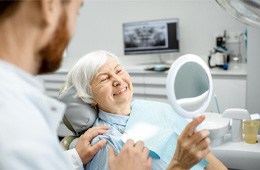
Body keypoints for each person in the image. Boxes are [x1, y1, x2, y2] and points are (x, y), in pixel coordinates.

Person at [0, 1, 151, 170]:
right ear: (49, 6)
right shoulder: (13, 119)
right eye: (77, 11)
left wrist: (75, 157)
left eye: (118, 70)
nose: (117, 80)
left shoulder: (15, 103)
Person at [63, 50, 227, 170]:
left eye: (119, 70)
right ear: (90, 97)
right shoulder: (103, 143)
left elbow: (204, 156)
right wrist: (180, 165)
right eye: (104, 78)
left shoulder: (155, 107)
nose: (118, 80)